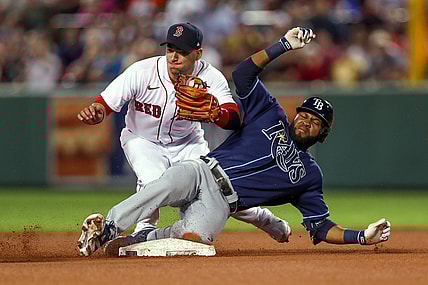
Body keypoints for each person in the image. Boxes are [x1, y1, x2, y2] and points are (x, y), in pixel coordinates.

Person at [77, 27, 391, 257]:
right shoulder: (271, 114)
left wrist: (362, 236)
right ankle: (108, 228)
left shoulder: (308, 176)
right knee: (158, 184)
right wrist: (281, 45)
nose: (306, 121)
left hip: (222, 202)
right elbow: (243, 75)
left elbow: (321, 228)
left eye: (315, 122)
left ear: (322, 134)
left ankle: (135, 243)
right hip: (201, 169)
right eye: (305, 114)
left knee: (194, 237)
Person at [76, 22, 291, 243]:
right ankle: (143, 231)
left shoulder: (210, 76)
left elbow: (233, 117)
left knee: (221, 190)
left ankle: (266, 220)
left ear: (198, 54)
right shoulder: (142, 71)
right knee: (152, 182)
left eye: (183, 52)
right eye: (170, 49)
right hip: (142, 139)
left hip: (188, 142)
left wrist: (217, 113)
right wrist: (97, 112)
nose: (174, 57)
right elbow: (105, 103)